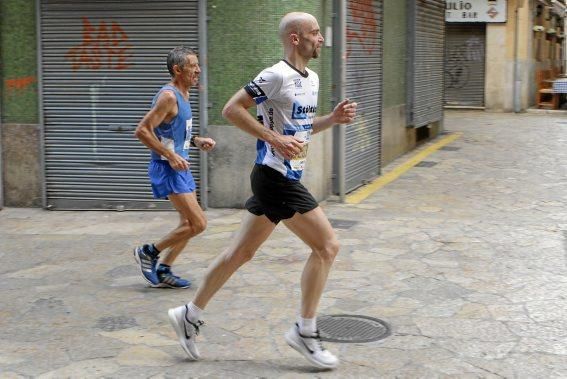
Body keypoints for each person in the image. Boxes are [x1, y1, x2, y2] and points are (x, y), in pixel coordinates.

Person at [167, 13, 356, 369]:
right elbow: (231, 109)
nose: (321, 39)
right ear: (296, 38)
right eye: (315, 33)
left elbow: (297, 127)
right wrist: (272, 138)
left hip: (283, 177)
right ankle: (305, 330)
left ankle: (188, 314)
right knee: (327, 246)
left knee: (240, 254)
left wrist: (331, 120)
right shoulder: (275, 75)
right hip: (275, 178)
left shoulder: (311, 78)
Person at [133, 46, 216, 289]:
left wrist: (195, 140)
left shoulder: (184, 94)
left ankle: (166, 269)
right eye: (193, 65)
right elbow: (142, 131)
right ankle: (148, 252)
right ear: (178, 70)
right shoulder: (168, 96)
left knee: (186, 225)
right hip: (167, 168)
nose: (198, 70)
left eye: (198, 65)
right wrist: (170, 155)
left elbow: (168, 133)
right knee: (198, 224)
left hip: (180, 167)